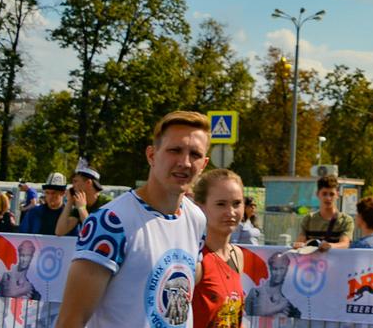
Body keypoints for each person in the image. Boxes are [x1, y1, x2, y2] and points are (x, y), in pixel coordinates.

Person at [53, 110, 210, 328]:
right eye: (175, 150)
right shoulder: (111, 222)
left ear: (204, 164)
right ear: (152, 155)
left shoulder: (197, 219)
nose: (185, 162)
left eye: (195, 154)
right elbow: (70, 321)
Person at [192, 168, 245, 328]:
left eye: (237, 203)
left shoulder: (237, 255)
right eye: (221, 204)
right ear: (200, 207)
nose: (231, 212)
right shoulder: (196, 259)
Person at [294, 174, 354, 250]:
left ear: (337, 195)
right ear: (317, 194)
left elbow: (345, 244)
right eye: (324, 194)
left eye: (331, 194)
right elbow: (300, 243)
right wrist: (298, 245)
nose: (328, 198)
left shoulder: (346, 220)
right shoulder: (308, 219)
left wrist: (329, 246)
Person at [56, 160, 109, 237]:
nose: (72, 186)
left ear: (88, 183)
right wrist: (69, 202)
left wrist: (82, 209)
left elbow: (94, 232)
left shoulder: (107, 203)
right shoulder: (80, 205)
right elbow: (59, 232)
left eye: (75, 181)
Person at [243, 251, 301, 318]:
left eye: (282, 268)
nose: (278, 273)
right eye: (275, 269)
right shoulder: (256, 292)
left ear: (287, 269)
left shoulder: (289, 301)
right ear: (270, 268)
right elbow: (250, 315)